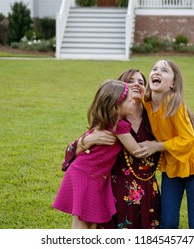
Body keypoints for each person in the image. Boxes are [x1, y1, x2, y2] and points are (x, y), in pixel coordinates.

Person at [67, 69, 161, 229]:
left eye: (141, 82)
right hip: (113, 189)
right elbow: (72, 151)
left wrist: (159, 145)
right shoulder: (112, 119)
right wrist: (87, 140)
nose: (137, 84)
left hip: (147, 189)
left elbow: (189, 133)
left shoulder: (155, 115)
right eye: (131, 81)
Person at [133, 59, 194, 229]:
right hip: (172, 166)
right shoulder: (146, 103)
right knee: (168, 222)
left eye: (164, 71)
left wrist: (156, 146)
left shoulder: (174, 103)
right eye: (154, 68)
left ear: (172, 83)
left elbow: (188, 140)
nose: (157, 72)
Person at [52, 79, 145, 229]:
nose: (133, 102)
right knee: (82, 223)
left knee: (91, 220)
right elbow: (136, 151)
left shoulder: (107, 121)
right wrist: (159, 146)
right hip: (86, 175)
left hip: (92, 175)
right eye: (129, 100)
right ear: (116, 107)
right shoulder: (119, 125)